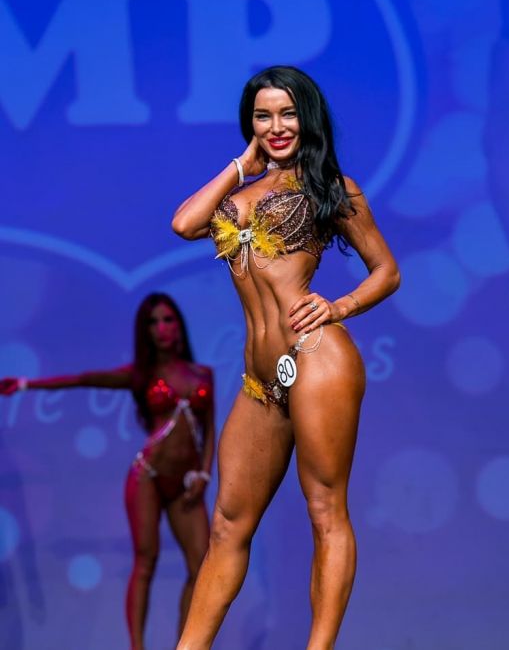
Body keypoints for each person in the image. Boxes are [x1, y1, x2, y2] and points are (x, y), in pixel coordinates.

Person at [171, 65, 400, 650]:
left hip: (316, 356)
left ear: (308, 118)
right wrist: (240, 166)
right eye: (263, 116)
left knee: (324, 508)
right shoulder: (240, 194)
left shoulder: (332, 188)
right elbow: (185, 223)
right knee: (227, 524)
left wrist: (339, 306)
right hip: (261, 381)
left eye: (288, 114)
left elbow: (386, 271)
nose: (276, 126)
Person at [0, 292, 215, 650]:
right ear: (146, 332)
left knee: (202, 567)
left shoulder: (203, 374)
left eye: (168, 319)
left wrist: (204, 475)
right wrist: (26, 384)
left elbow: (208, 432)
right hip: (147, 476)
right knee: (146, 561)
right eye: (153, 322)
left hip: (187, 483)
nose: (162, 328)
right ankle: (137, 646)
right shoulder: (141, 375)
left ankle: (187, 644)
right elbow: (84, 379)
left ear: (179, 324)